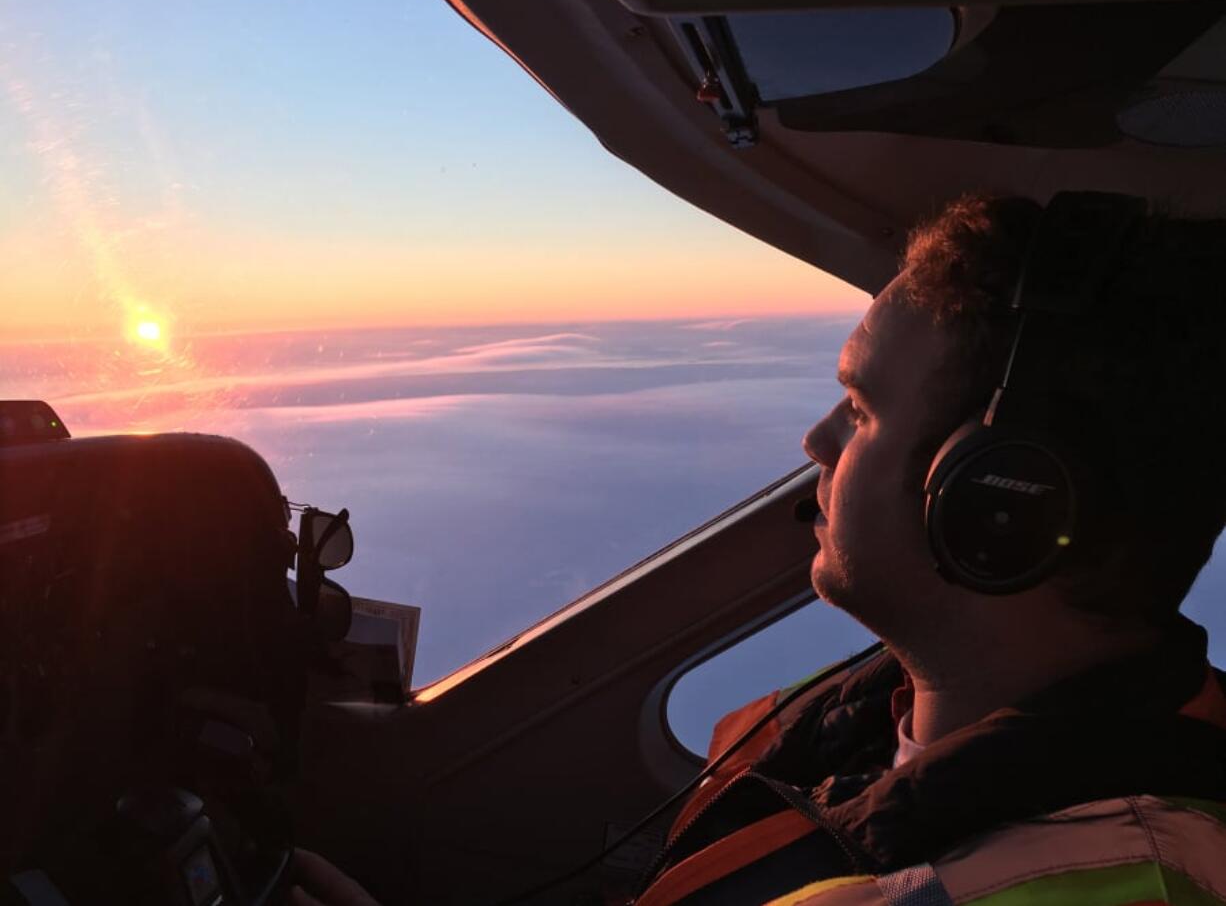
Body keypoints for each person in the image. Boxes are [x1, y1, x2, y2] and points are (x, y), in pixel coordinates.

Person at [289, 192, 1226, 905]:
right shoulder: (903, 722)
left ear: (998, 505)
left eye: (860, 411)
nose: (817, 441)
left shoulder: (1079, 881)